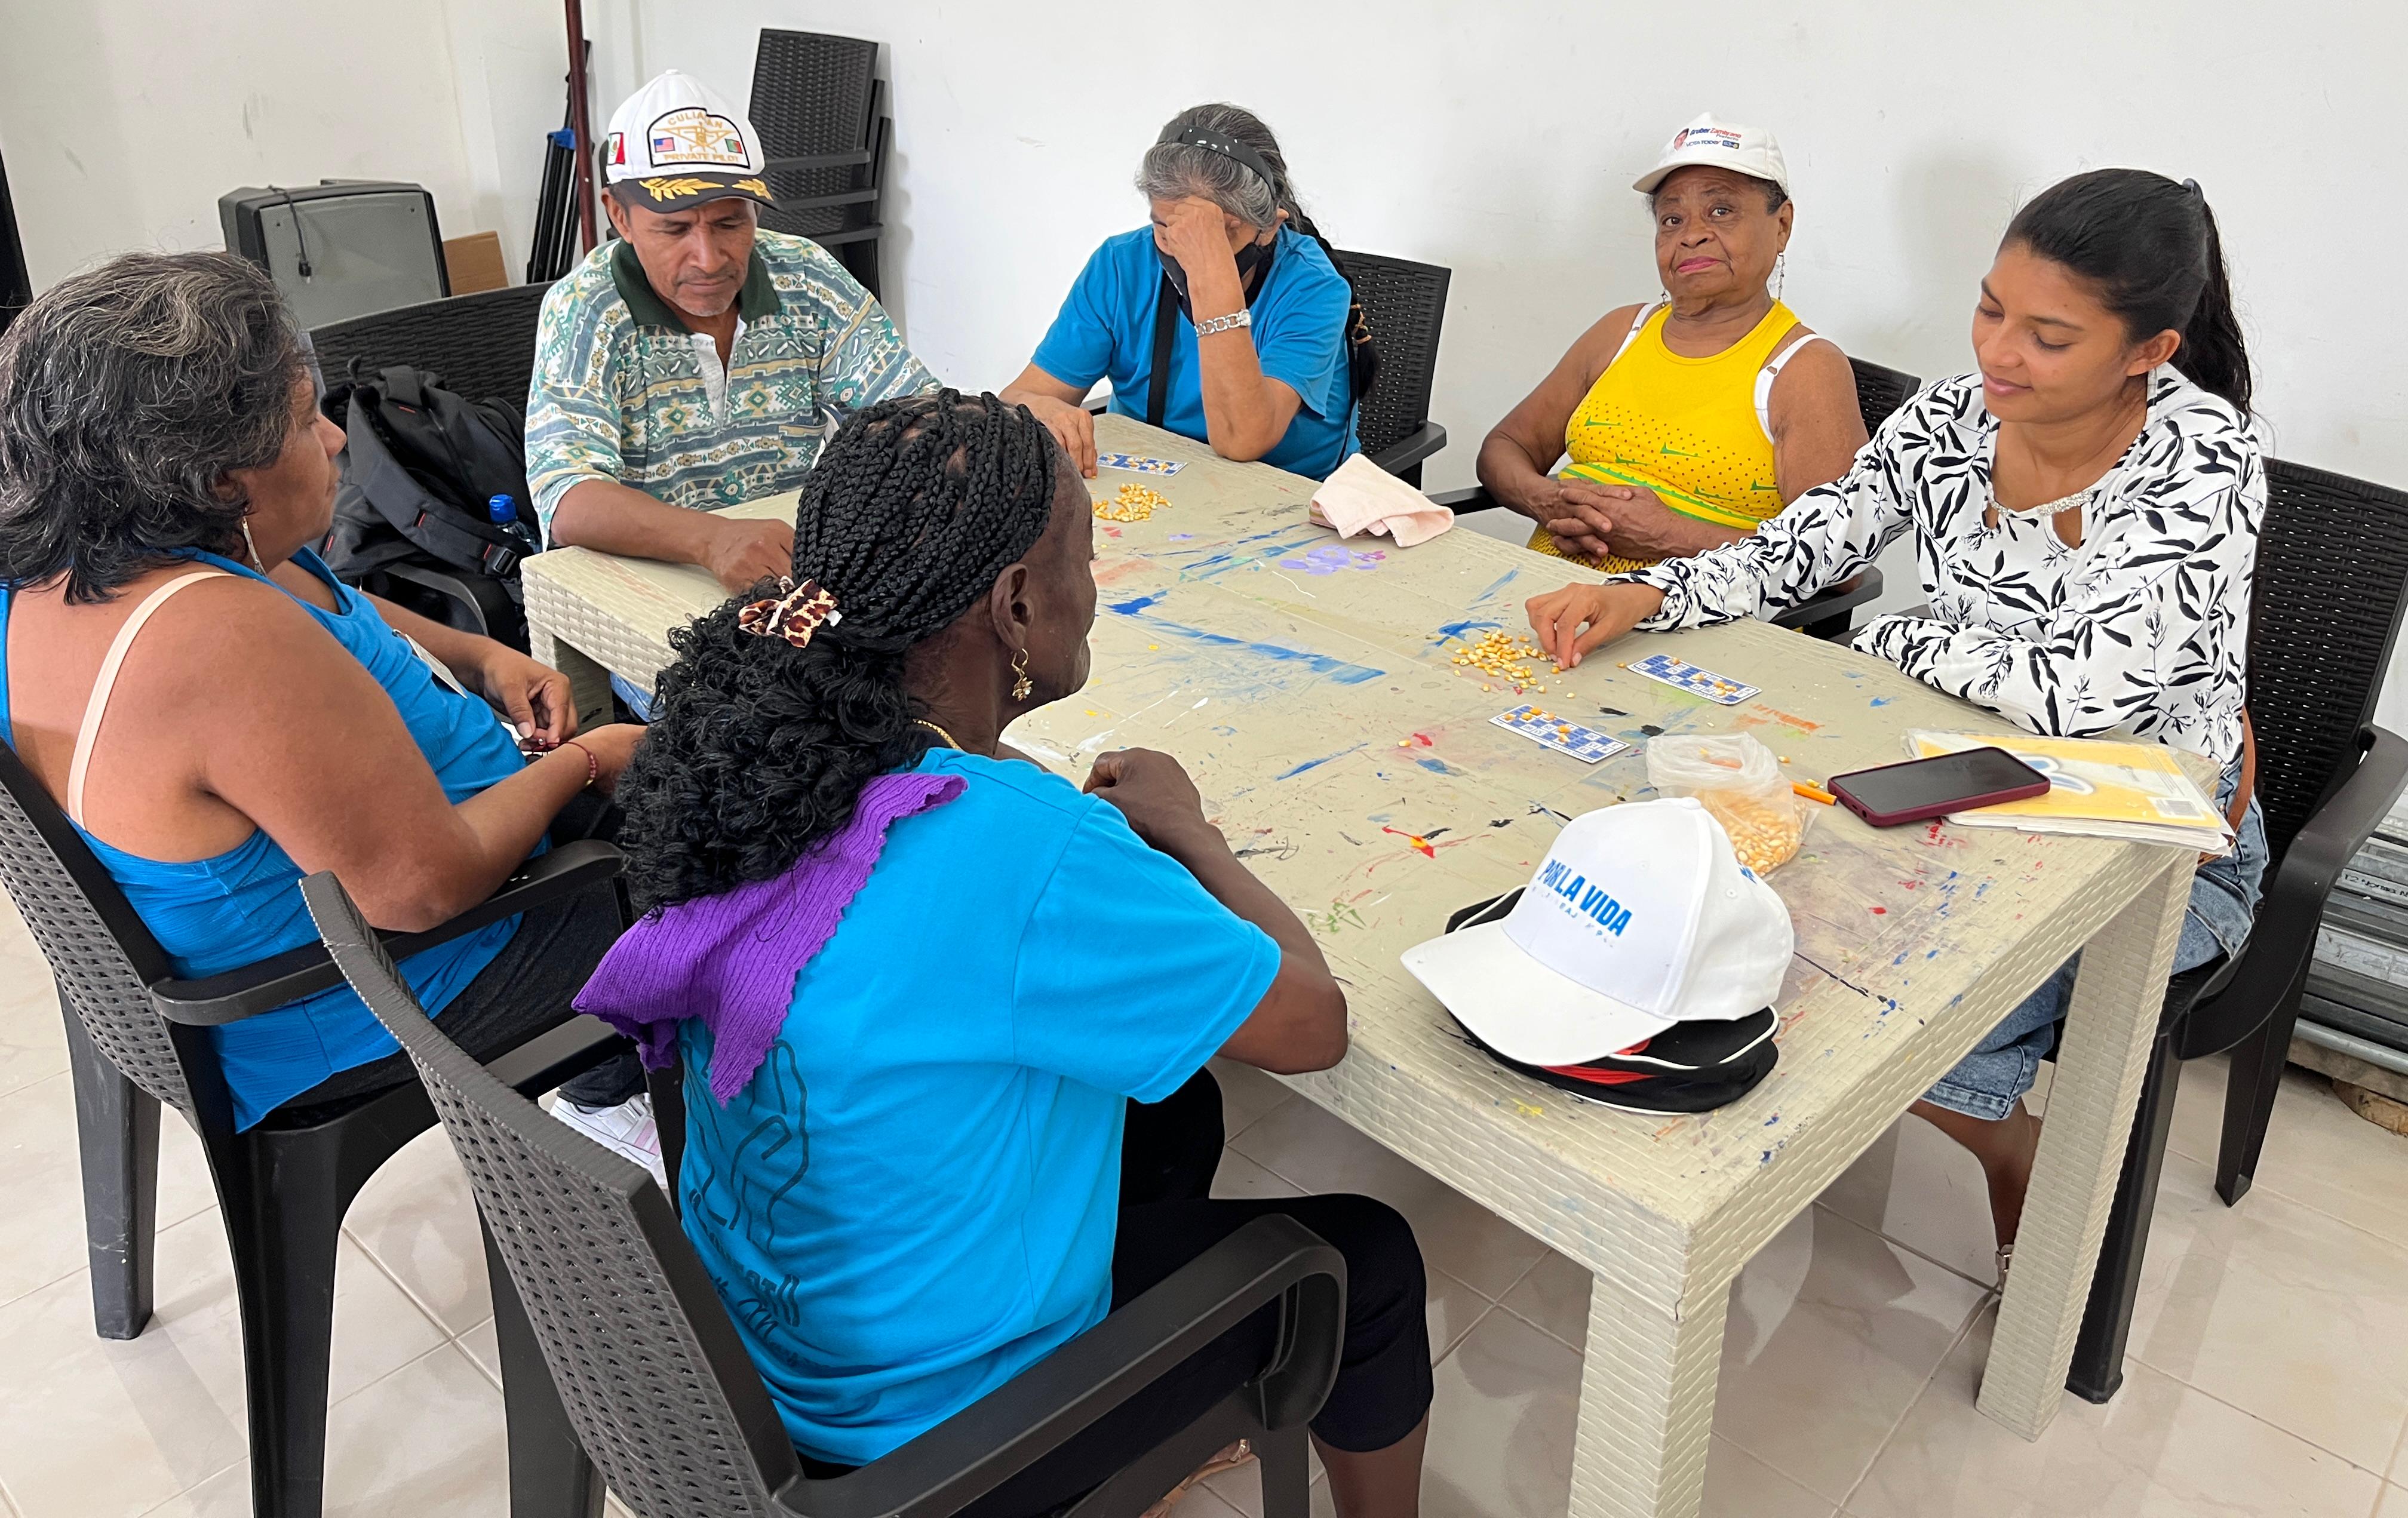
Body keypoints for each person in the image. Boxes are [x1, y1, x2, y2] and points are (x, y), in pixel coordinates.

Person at [586, 391, 1432, 1517]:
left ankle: (1149, 1425)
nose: (1097, 584)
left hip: (757, 1356)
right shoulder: (1031, 849)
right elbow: (1310, 1025)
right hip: (938, 1446)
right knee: (1368, 1257)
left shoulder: (754, 748)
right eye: (1085, 556)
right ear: (1019, 602)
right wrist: (1191, 831)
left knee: (1176, 1110)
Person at [1521, 168, 2266, 1271]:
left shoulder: (2204, 457)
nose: (1999, 353)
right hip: (1955, 781)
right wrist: (1651, 594)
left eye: (2049, 337)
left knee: (1885, 1016)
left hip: (2144, 846)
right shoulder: (1956, 416)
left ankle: (2019, 1165)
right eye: (1990, 309)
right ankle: (1977, 1143)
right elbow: (1807, 542)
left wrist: (1893, 638)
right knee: (1752, 946)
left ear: (2146, 351)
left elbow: (2087, 697)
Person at [0, 253, 653, 1148]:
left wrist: (479, 655)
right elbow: (422, 892)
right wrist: (584, 760)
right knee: (733, 866)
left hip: (362, 925)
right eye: (306, 418)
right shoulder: (215, 637)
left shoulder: (92, 558)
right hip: (385, 985)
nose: (338, 439)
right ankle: (628, 1103)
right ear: (220, 479)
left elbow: (331, 604)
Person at [524, 69, 939, 598]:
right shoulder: (586, 309)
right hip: (642, 579)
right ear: (619, 217)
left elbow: (913, 414)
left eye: (730, 224)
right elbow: (568, 497)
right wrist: (713, 541)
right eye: (674, 229)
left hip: (783, 566)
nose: (709, 258)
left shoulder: (806, 277)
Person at [1478, 113, 1865, 573]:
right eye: (1672, 219)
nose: (1691, 235)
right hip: (1533, 593)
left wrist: (1667, 535)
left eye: (1721, 211)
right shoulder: (1622, 332)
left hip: (1687, 612)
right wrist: (1549, 501)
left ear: (1782, 225)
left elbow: (1835, 559)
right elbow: (1505, 446)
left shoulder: (1805, 369)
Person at [1003, 104, 1357, 479]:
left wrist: (1212, 281)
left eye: (1217, 234)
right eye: (1168, 229)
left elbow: (1242, 440)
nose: (1187, 251)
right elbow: (1017, 399)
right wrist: (1040, 411)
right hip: (1146, 479)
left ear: (1268, 227)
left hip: (1285, 489)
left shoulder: (1313, 287)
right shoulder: (1121, 266)